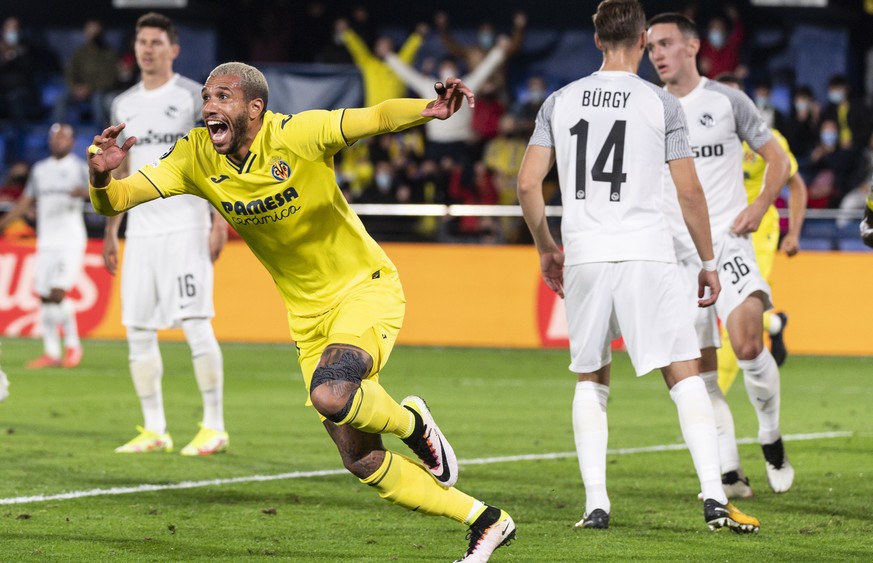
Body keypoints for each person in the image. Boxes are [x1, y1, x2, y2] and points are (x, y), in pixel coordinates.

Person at [87, 63, 516, 561]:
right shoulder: (195, 155)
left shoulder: (297, 134)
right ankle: (485, 520)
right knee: (360, 459)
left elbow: (373, 117)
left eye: (222, 97)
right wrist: (100, 174)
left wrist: (429, 110)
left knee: (332, 394)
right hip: (307, 319)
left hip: (364, 289)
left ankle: (411, 424)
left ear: (255, 108)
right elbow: (114, 201)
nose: (208, 107)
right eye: (206, 97)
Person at [517, 0, 758, 533]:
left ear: (597, 39)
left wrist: (545, 246)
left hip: (585, 253)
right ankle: (715, 497)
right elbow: (689, 192)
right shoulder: (660, 103)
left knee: (591, 377)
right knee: (682, 370)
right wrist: (708, 261)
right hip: (648, 252)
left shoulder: (560, 101)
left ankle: (596, 505)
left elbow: (528, 183)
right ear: (645, 39)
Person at [647, 13, 794, 498]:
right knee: (703, 373)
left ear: (692, 46)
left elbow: (778, 159)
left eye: (666, 44)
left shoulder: (728, 101)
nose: (658, 55)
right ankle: (730, 470)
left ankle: (770, 435)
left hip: (729, 243)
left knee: (749, 345)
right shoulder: (648, 108)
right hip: (677, 257)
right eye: (651, 48)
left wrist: (759, 205)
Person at [103, 13, 229, 457]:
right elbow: (119, 168)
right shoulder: (123, 105)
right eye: (141, 41)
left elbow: (215, 160)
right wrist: (113, 230)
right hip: (142, 232)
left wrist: (218, 221)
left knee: (196, 323)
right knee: (137, 328)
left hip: (186, 226)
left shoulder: (193, 97)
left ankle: (214, 425)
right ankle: (155, 427)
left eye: (156, 42)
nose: (147, 49)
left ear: (173, 49)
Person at [713, 73, 807, 393]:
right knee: (725, 308)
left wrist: (793, 232)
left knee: (734, 315)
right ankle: (775, 323)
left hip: (759, 233)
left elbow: (797, 186)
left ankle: (714, 403)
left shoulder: (767, 139)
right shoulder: (703, 140)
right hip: (718, 231)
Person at [0, 123, 87, 369]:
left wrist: (87, 193)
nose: (58, 142)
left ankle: (73, 346)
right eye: (55, 138)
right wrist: (4, 224)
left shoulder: (80, 168)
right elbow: (24, 203)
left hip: (70, 240)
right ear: (50, 141)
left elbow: (102, 192)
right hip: (46, 240)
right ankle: (51, 351)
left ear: (72, 142)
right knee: (45, 297)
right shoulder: (39, 170)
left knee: (58, 293)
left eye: (64, 138)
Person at [336, 18, 427, 107]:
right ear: (375, 48)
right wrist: (346, 32)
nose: (383, 47)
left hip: (395, 116)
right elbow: (357, 48)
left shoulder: (400, 64)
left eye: (386, 44)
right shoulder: (369, 63)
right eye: (380, 44)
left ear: (392, 47)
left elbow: (410, 49)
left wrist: (419, 35)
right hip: (374, 114)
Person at [52, 19, 118, 127]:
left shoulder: (109, 54)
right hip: (79, 90)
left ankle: (101, 132)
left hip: (99, 90)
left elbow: (111, 78)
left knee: (98, 100)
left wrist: (90, 88)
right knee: (61, 99)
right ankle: (58, 130)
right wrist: (75, 87)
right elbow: (71, 72)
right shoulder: (79, 53)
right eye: (90, 33)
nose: (93, 36)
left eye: (95, 33)